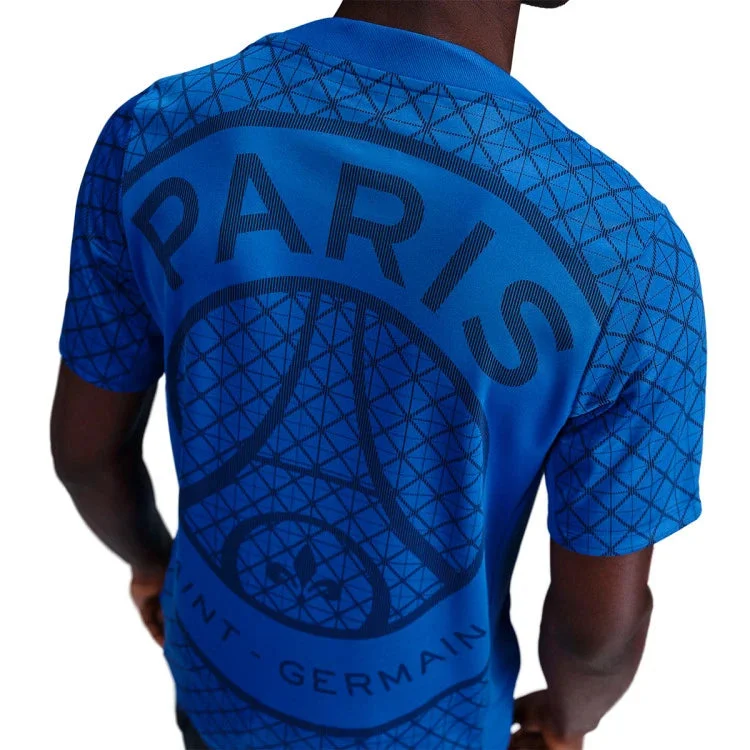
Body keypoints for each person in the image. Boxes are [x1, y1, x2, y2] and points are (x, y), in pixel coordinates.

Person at [50, 1, 706, 748]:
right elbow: (597, 637)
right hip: (437, 731)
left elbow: (85, 456)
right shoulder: (633, 261)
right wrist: (567, 717)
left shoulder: (157, 133)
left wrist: (151, 563)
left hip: (220, 694)